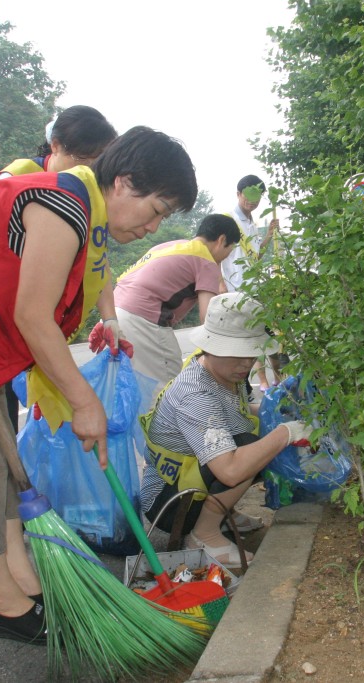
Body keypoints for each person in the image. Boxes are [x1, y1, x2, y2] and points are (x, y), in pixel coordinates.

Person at [0, 126, 196, 644]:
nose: (154, 224)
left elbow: (93, 277)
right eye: (156, 208)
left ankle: (23, 585)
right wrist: (82, 401)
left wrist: (108, 320)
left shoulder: (88, 215)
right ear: (125, 182)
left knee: (0, 464)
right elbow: (32, 315)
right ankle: (1, 606)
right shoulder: (63, 204)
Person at [139, 294, 311, 568]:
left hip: (189, 480)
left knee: (253, 440)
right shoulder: (195, 394)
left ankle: (221, 511)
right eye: (236, 353)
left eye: (251, 353)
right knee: (248, 446)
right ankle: (203, 534)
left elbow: (239, 411)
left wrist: (277, 412)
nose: (246, 363)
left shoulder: (224, 373)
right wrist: (285, 433)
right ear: (211, 347)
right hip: (169, 504)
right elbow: (229, 471)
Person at [0, 105, 120, 430]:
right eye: (82, 160)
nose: (89, 170)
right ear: (56, 146)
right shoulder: (21, 175)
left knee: (25, 417)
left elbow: (98, 259)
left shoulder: (90, 193)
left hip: (31, 319)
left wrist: (110, 319)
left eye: (97, 163)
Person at [111, 213, 241, 383]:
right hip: (143, 319)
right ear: (221, 240)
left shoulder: (171, 246)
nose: (226, 257)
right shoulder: (206, 260)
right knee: (168, 386)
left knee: (129, 384)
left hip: (112, 314)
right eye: (229, 250)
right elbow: (209, 318)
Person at [219, 175, 282, 393]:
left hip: (257, 291)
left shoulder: (252, 223)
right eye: (248, 195)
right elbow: (215, 257)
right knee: (248, 343)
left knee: (267, 338)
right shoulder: (227, 221)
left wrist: (269, 235)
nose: (252, 201)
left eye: (257, 196)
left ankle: (280, 381)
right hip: (236, 294)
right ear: (238, 194)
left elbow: (255, 257)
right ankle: (262, 383)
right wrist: (222, 289)